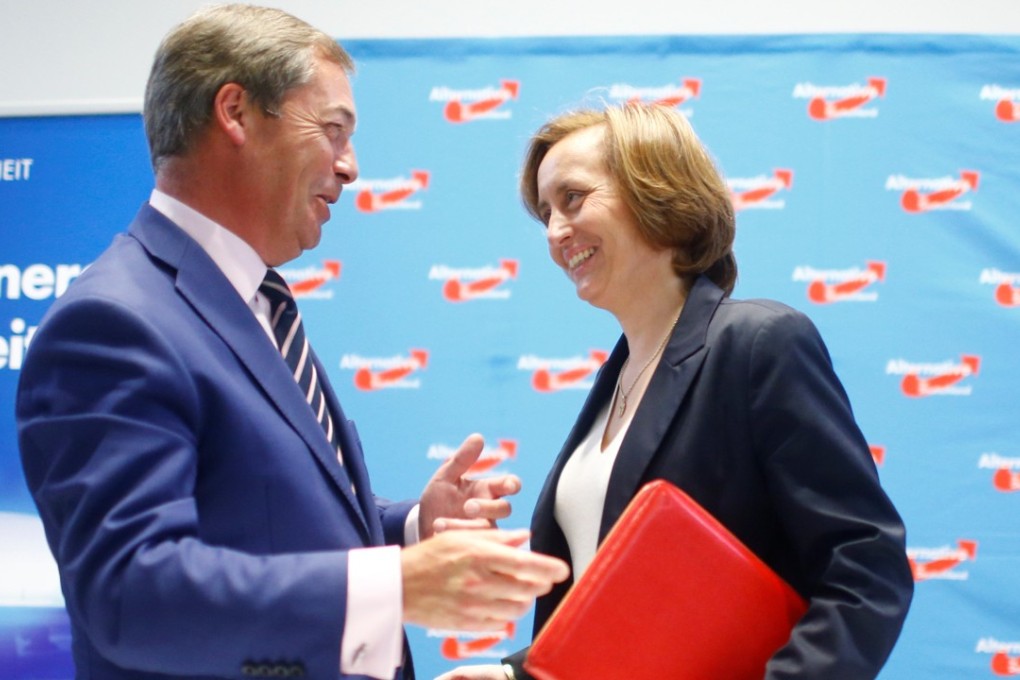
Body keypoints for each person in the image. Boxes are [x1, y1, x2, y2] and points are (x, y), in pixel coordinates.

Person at [15, 6, 568, 680]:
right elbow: (131, 592)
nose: (352, 168)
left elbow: (266, 516)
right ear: (236, 113)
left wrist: (415, 526)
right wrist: (395, 584)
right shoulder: (113, 323)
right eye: (332, 131)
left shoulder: (254, 301)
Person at [438, 103, 913, 680]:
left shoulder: (758, 342)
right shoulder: (614, 380)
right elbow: (621, 608)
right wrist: (516, 674)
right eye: (544, 215)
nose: (557, 231)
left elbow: (864, 567)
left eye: (574, 199)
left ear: (654, 192)